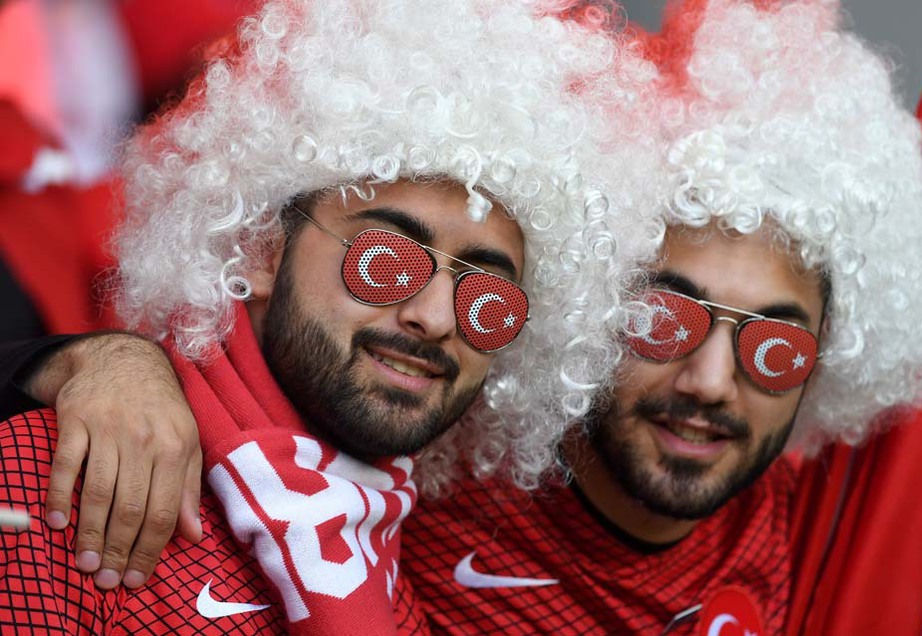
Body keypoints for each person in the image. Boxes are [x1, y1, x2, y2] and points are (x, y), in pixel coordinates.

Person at [0, 0, 663, 632]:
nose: (436, 317)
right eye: (386, 261)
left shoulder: (418, 555)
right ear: (261, 248)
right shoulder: (72, 479)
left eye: (487, 296)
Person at [396, 0, 922, 633]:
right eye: (664, 320)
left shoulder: (818, 553)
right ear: (587, 308)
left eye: (775, 346)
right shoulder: (404, 519)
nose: (710, 382)